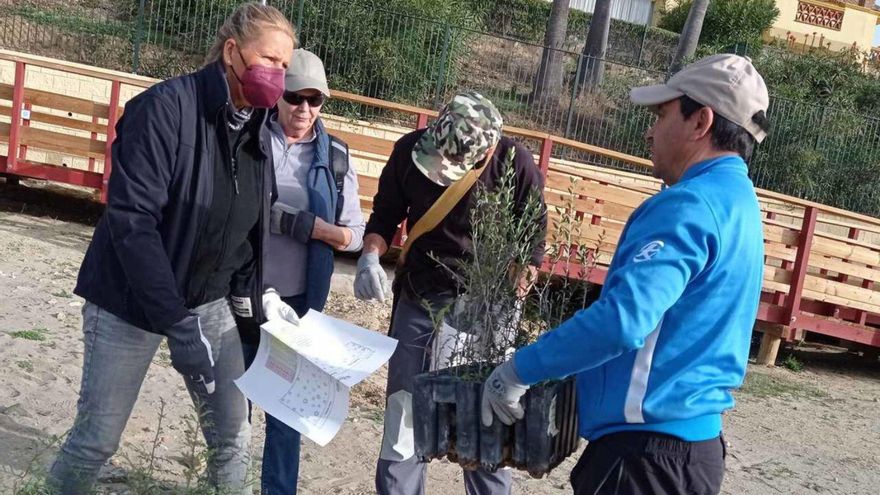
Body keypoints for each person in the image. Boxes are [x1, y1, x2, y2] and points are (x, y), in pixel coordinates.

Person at [480, 54, 770, 495]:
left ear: (701, 122)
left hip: (644, 459)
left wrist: (519, 369)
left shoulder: (688, 205)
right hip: (688, 449)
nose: (650, 130)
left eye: (662, 114)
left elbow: (622, 322)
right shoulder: (738, 202)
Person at [48, 4, 298, 494]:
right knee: (97, 440)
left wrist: (259, 298)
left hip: (207, 304)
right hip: (128, 303)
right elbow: (132, 222)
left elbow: (243, 228)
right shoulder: (164, 109)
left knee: (232, 435)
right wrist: (174, 319)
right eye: (269, 59)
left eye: (285, 67)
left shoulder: (257, 131)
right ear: (232, 52)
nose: (278, 75)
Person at [355, 91, 547, 495]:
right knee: (404, 413)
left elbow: (532, 236)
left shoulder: (516, 164)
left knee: (483, 420)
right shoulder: (409, 151)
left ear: (488, 149)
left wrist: (518, 284)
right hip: (418, 302)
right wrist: (370, 256)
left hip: (483, 311)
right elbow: (385, 216)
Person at [244, 48, 366, 494]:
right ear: (278, 95)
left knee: (285, 416)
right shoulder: (249, 137)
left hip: (296, 306)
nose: (304, 109)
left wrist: (315, 229)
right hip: (243, 292)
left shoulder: (334, 156)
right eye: (295, 97)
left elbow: (354, 233)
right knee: (233, 408)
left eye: (315, 100)